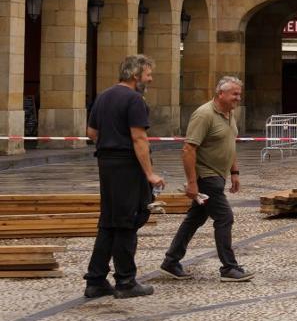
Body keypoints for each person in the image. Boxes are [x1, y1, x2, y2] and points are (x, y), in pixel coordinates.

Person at [84, 55, 166, 299]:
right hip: (127, 166)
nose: (150, 79)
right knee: (127, 221)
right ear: (135, 75)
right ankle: (126, 281)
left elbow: (91, 132)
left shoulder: (104, 96)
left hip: (106, 163)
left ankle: (96, 279)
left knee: (109, 220)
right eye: (148, 74)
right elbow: (139, 138)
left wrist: (110, 143)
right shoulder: (134, 99)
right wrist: (149, 173)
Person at [160, 76, 254, 282]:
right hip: (206, 176)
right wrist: (192, 182)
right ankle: (229, 267)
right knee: (224, 217)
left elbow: (229, 144)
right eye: (234, 94)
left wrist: (235, 172)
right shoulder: (204, 115)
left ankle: (171, 261)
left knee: (196, 217)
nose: (238, 98)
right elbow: (188, 149)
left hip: (219, 175)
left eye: (239, 94)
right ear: (221, 94)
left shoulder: (230, 114)